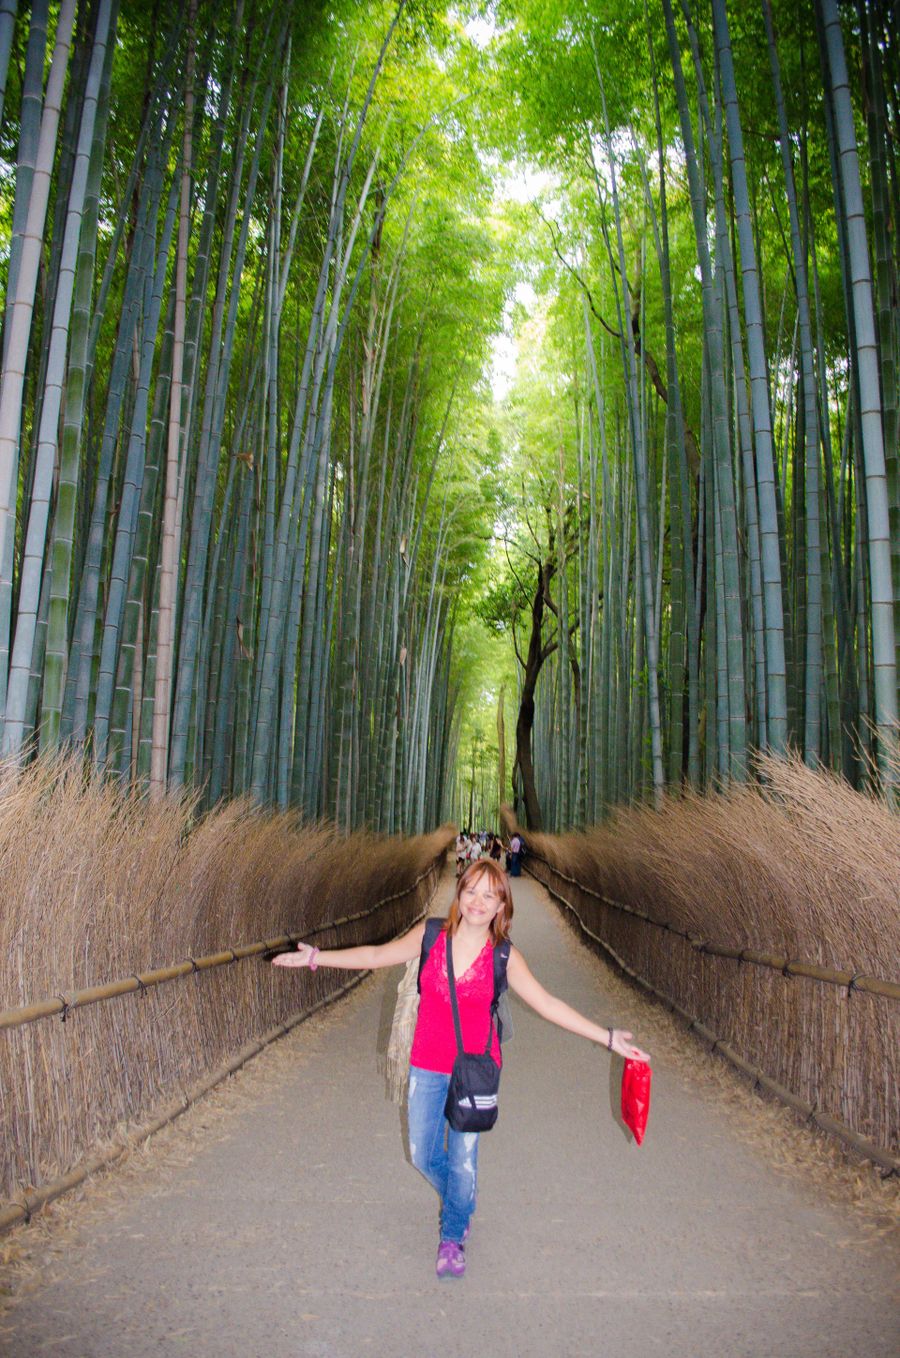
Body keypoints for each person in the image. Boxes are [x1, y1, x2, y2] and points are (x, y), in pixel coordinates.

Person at [272, 859, 650, 1281]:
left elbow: (548, 1004)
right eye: (472, 890)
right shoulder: (431, 935)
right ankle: (462, 1201)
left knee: (464, 1158)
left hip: (476, 1070)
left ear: (501, 906)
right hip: (426, 1061)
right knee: (421, 1152)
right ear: (459, 893)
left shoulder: (505, 956)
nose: (478, 901)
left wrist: (609, 1038)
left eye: (490, 895)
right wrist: (317, 958)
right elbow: (377, 955)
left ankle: (452, 1237)